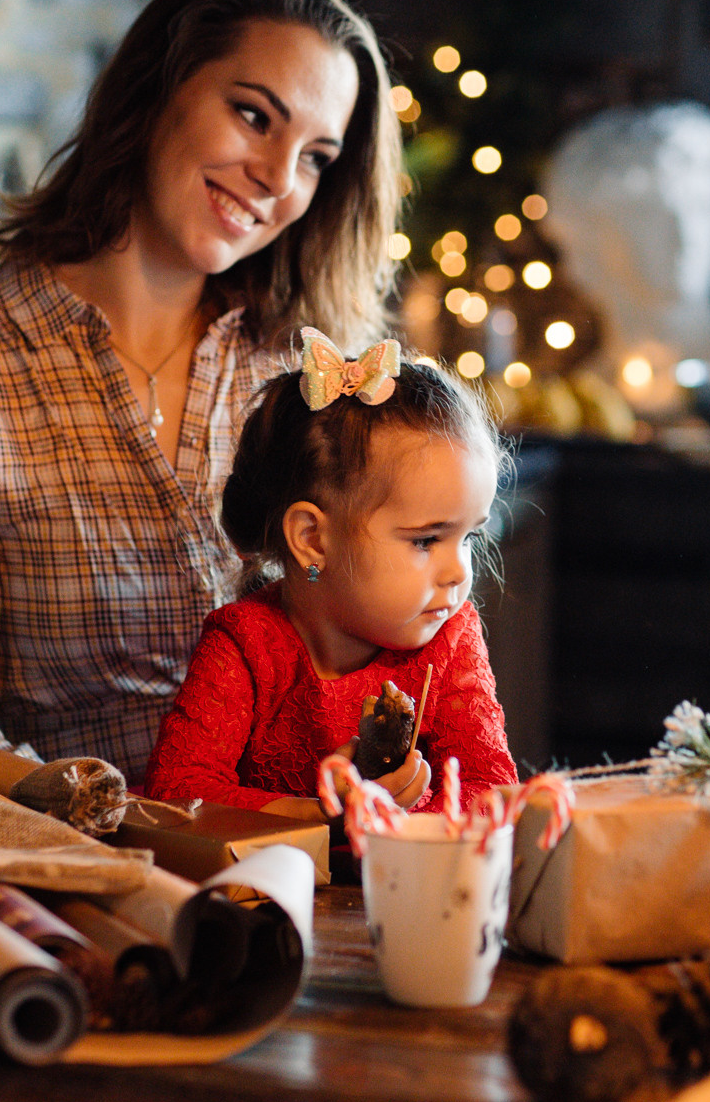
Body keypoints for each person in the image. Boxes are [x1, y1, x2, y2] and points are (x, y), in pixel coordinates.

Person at [0, 0, 402, 782]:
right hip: (76, 857)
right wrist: (106, 813)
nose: (279, 179)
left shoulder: (310, 373)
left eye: (317, 157)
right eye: (253, 116)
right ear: (153, 91)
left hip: (315, 846)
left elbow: (392, 636)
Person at [141, 334, 518, 819]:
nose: (459, 572)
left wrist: (403, 810)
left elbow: (492, 792)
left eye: (468, 537)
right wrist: (324, 814)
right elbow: (177, 790)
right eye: (426, 541)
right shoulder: (246, 644)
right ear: (313, 539)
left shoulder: (450, 638)